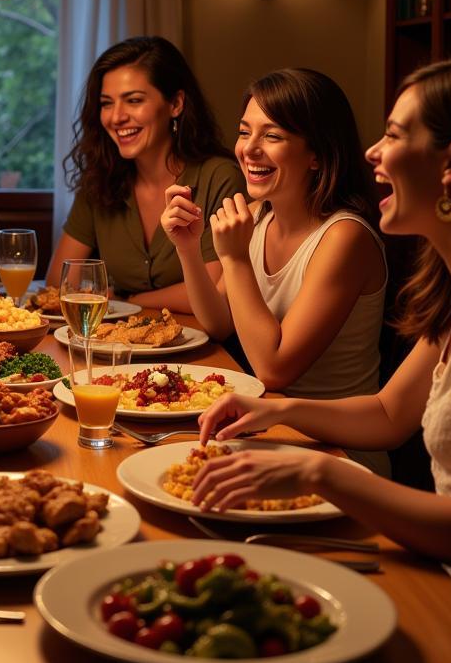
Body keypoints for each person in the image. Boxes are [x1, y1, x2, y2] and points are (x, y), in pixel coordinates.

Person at [191, 58, 451, 645]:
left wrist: (320, 470)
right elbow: (391, 415)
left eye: (394, 135)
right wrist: (280, 411)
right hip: (433, 573)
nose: (372, 152)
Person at [162, 68, 388, 473]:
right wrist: (188, 248)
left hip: (336, 452)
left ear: (317, 153)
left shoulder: (344, 237)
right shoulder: (256, 217)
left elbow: (274, 368)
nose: (249, 149)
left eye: (273, 136)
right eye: (245, 132)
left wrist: (233, 258)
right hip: (270, 429)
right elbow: (217, 324)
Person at [47, 36, 244, 311]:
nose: (116, 117)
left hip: (206, 349)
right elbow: (60, 283)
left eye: (134, 100)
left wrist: (129, 302)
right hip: (118, 347)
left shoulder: (220, 178)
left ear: (175, 103)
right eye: (106, 103)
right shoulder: (99, 179)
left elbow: (216, 291)